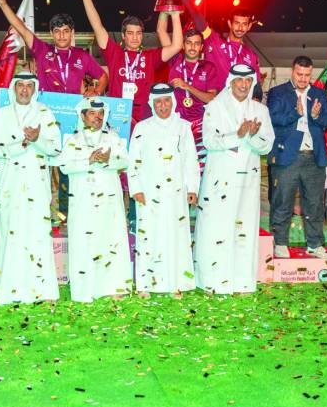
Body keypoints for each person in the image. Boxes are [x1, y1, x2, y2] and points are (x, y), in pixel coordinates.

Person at [0, 0, 106, 220]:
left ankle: (68, 214)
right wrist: (2, 3)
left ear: (72, 33)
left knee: (71, 165)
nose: (62, 35)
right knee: (40, 163)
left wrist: (96, 91)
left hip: (73, 120)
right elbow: (20, 27)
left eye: (66, 31)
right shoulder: (43, 51)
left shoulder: (82, 56)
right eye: (57, 31)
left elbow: (103, 76)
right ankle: (38, 212)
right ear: (52, 34)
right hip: (46, 118)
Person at [194, 64, 274, 294]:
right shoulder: (215, 106)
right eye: (239, 80)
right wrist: (237, 135)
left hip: (247, 180)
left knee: (244, 228)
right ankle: (213, 280)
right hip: (219, 178)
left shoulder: (260, 110)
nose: (244, 85)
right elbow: (209, 141)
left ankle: (242, 280)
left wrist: (253, 136)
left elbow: (267, 146)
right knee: (216, 227)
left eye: (248, 81)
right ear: (230, 82)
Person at [0, 73, 62, 304]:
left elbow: (56, 149)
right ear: (13, 88)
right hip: (9, 185)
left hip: (37, 186)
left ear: (35, 89)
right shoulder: (0, 115)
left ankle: (42, 290)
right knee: (10, 234)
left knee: (37, 234)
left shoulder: (45, 113)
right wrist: (23, 143)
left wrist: (38, 139)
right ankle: (10, 291)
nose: (24, 90)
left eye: (29, 86)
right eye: (20, 85)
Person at [77, 0, 183, 125]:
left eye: (138, 33)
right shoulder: (114, 53)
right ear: (123, 35)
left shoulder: (150, 56)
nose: (135, 37)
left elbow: (176, 46)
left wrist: (175, 15)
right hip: (117, 111)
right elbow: (97, 26)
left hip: (145, 114)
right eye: (130, 33)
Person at [127, 84, 200, 296]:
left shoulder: (183, 127)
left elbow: (191, 160)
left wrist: (192, 188)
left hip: (177, 192)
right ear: (152, 104)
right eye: (158, 102)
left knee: (177, 237)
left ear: (172, 101)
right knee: (148, 236)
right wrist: (136, 188)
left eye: (166, 100)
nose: (163, 106)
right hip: (148, 193)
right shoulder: (142, 128)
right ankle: (145, 284)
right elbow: (133, 161)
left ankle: (178, 283)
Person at [57, 97, 132, 302]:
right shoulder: (73, 140)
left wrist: (109, 160)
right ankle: (85, 290)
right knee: (85, 242)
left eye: (100, 114)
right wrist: (88, 160)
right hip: (83, 203)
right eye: (92, 113)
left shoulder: (112, 138)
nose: (97, 117)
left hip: (109, 202)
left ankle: (114, 286)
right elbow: (64, 166)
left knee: (111, 239)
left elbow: (126, 161)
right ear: (83, 116)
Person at [268, 56, 327, 258]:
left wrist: (316, 116)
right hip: (286, 156)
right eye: (299, 74)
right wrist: (295, 114)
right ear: (292, 71)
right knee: (283, 201)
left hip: (314, 157)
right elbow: (272, 118)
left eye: (307, 75)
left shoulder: (319, 93)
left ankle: (315, 244)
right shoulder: (277, 92)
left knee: (315, 204)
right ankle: (280, 242)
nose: (303, 79)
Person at [175, 0, 262, 92]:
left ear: (249, 26)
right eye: (237, 23)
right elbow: (195, 13)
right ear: (230, 24)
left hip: (239, 101)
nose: (240, 28)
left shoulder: (251, 55)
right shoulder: (214, 41)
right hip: (214, 100)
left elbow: (256, 85)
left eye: (244, 24)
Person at [165, 25, 219, 173]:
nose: (192, 47)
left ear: (201, 47)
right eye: (189, 43)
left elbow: (211, 98)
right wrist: (171, 14)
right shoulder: (174, 61)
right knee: (176, 166)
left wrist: (187, 86)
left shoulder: (209, 67)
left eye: (196, 43)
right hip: (177, 122)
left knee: (199, 167)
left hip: (200, 124)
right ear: (183, 45)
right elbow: (161, 32)